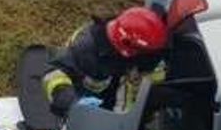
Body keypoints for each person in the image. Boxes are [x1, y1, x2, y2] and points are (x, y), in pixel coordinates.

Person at [41, 7, 169, 117]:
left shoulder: (145, 47)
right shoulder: (87, 48)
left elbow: (153, 75)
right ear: (128, 47)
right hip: (88, 107)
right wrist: (71, 103)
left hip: (124, 117)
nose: (150, 58)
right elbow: (54, 74)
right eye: (146, 53)